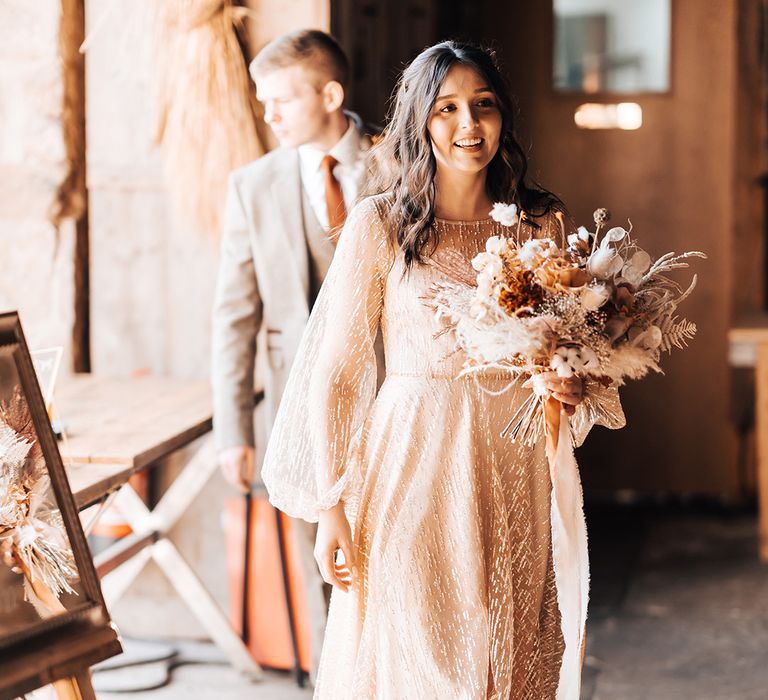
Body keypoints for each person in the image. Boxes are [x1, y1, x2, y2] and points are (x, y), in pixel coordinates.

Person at [260, 41, 624, 699]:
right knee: (418, 648)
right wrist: (330, 506)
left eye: (484, 107)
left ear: (503, 118)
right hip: (412, 462)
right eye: (448, 109)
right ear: (420, 122)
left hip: (514, 465)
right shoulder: (380, 225)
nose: (468, 126)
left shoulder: (539, 223)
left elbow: (566, 351)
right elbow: (337, 371)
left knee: (506, 643)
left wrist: (570, 384)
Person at [211, 29, 375, 680]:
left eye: (280, 99)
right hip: (296, 405)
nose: (267, 114)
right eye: (262, 100)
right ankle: (334, 684)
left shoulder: (399, 162)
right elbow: (234, 314)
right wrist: (234, 429)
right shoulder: (253, 185)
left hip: (395, 394)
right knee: (324, 556)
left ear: (330, 94)